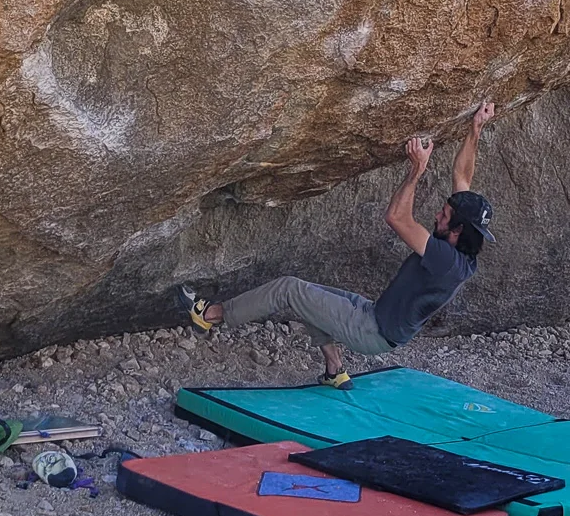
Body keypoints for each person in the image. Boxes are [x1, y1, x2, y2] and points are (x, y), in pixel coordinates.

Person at [180, 102, 497, 389]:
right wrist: (475, 129)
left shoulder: (446, 261)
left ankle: (210, 315)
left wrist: (416, 170)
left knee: (288, 288)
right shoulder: (463, 245)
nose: (437, 216)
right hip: (375, 315)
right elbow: (463, 177)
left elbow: (397, 217)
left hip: (371, 330)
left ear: (457, 230)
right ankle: (334, 369)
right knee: (310, 298)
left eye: (443, 216)